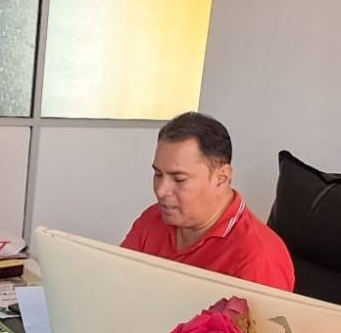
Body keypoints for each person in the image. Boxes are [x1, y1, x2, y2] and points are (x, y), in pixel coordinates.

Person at [121, 112, 296, 290]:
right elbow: (117, 283)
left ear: (222, 178)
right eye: (158, 174)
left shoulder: (259, 257)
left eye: (179, 179)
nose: (161, 191)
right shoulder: (154, 217)